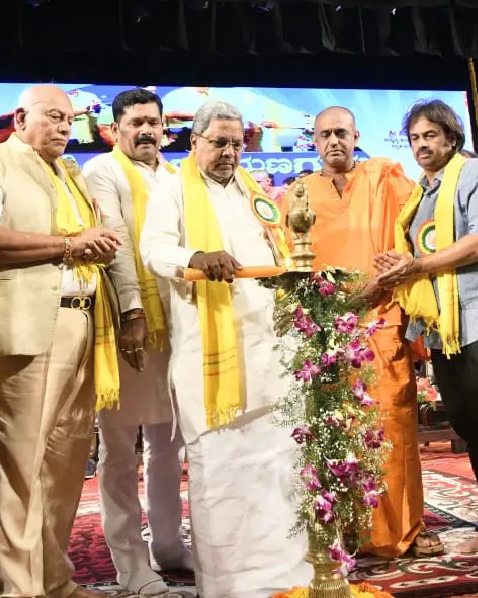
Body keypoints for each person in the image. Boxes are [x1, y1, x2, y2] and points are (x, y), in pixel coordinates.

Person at [0, 85, 122, 598]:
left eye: (71, 119)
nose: (66, 127)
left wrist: (98, 247)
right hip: (27, 329)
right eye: (54, 117)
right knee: (22, 466)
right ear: (20, 116)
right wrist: (69, 245)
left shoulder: (68, 173)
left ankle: (54, 580)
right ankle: (19, 589)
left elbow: (81, 246)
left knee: (66, 465)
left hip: (84, 324)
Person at [140, 101, 311, 597]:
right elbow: (153, 250)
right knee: (223, 466)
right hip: (210, 357)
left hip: (269, 350)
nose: (229, 152)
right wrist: (195, 255)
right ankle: (231, 584)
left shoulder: (253, 192)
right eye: (219, 142)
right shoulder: (172, 189)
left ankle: (286, 575)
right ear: (194, 142)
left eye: (237, 143)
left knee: (278, 461)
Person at [374, 99, 478, 573]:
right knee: (470, 427)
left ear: (451, 137)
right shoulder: (420, 195)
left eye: (430, 136)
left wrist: (415, 265)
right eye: (415, 139)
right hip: (445, 328)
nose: (422, 146)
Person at [289, 105, 442, 559]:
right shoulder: (296, 193)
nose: (333, 141)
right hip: (324, 330)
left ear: (356, 136)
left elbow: (416, 236)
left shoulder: (385, 179)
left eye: (341, 132)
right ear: (312, 141)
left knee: (391, 428)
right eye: (324, 134)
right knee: (336, 433)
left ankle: (403, 530)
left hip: (381, 319)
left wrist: (384, 283)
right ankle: (345, 533)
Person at [82, 88, 193, 595]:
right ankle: (130, 563)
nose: (145, 131)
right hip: (129, 324)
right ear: (116, 129)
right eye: (135, 123)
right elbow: (114, 243)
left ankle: (169, 545)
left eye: (152, 121)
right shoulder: (101, 172)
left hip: (179, 325)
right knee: (120, 447)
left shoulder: (175, 175)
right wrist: (131, 309)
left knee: (169, 444)